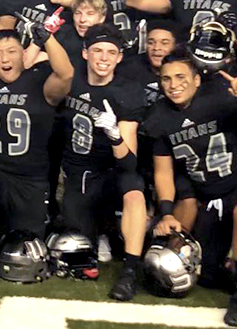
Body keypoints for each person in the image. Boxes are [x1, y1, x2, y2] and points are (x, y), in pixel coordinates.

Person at [144, 50, 237, 327]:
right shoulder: (159, 116)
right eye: (166, 79)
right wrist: (167, 212)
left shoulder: (218, 98)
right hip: (212, 197)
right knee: (208, 277)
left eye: (180, 77)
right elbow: (163, 171)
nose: (173, 84)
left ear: (196, 80)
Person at [0, 24, 73, 291]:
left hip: (30, 178)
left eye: (11, 52)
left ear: (23, 54)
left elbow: (65, 73)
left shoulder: (40, 82)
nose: (4, 59)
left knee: (25, 247)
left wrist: (48, 40)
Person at [58, 24, 149, 301]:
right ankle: (100, 233)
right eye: (97, 50)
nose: (104, 58)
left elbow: (129, 163)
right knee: (78, 254)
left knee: (134, 190)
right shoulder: (69, 79)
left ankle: (130, 271)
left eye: (111, 52)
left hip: (114, 170)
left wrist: (115, 135)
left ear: (120, 57)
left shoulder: (128, 91)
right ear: (85, 53)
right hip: (80, 172)